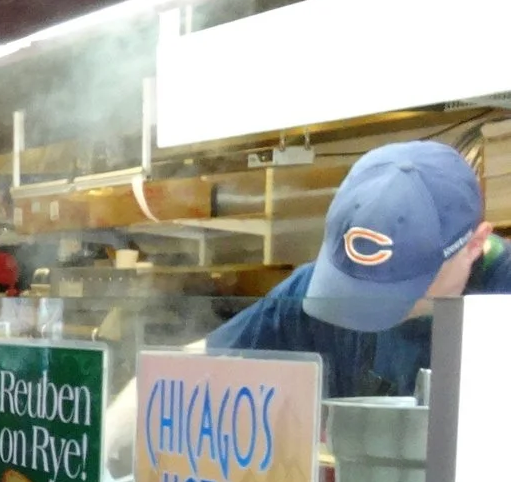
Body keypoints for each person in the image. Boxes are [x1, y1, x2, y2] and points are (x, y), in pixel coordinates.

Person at [209, 141, 509, 397]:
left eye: (400, 288)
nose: (370, 301)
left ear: (473, 245)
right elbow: (204, 363)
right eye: (355, 285)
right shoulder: (314, 291)